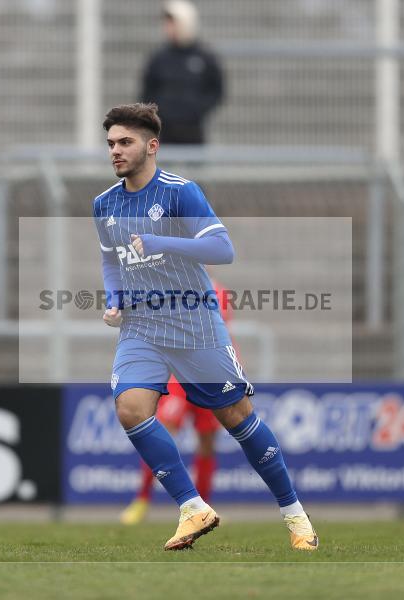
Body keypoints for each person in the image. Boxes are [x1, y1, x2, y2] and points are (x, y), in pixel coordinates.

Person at [93, 103, 318, 551]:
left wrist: (159, 241)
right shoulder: (105, 204)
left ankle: (296, 516)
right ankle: (193, 507)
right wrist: (115, 299)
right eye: (111, 144)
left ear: (151, 146)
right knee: (130, 408)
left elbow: (222, 249)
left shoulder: (180, 193)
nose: (115, 151)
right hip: (142, 328)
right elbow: (110, 261)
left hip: (194, 322)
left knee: (236, 418)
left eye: (125, 142)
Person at [118, 280, 230, 526]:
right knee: (161, 432)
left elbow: (214, 333)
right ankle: (142, 500)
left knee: (207, 441)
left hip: (210, 375)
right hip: (179, 376)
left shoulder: (217, 291)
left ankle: (204, 508)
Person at [140, 0, 224, 145]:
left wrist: (197, 109)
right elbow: (147, 91)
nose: (168, 28)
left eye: (173, 23)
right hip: (164, 131)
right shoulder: (159, 58)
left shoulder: (204, 57)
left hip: (193, 130)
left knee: (193, 166)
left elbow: (217, 89)